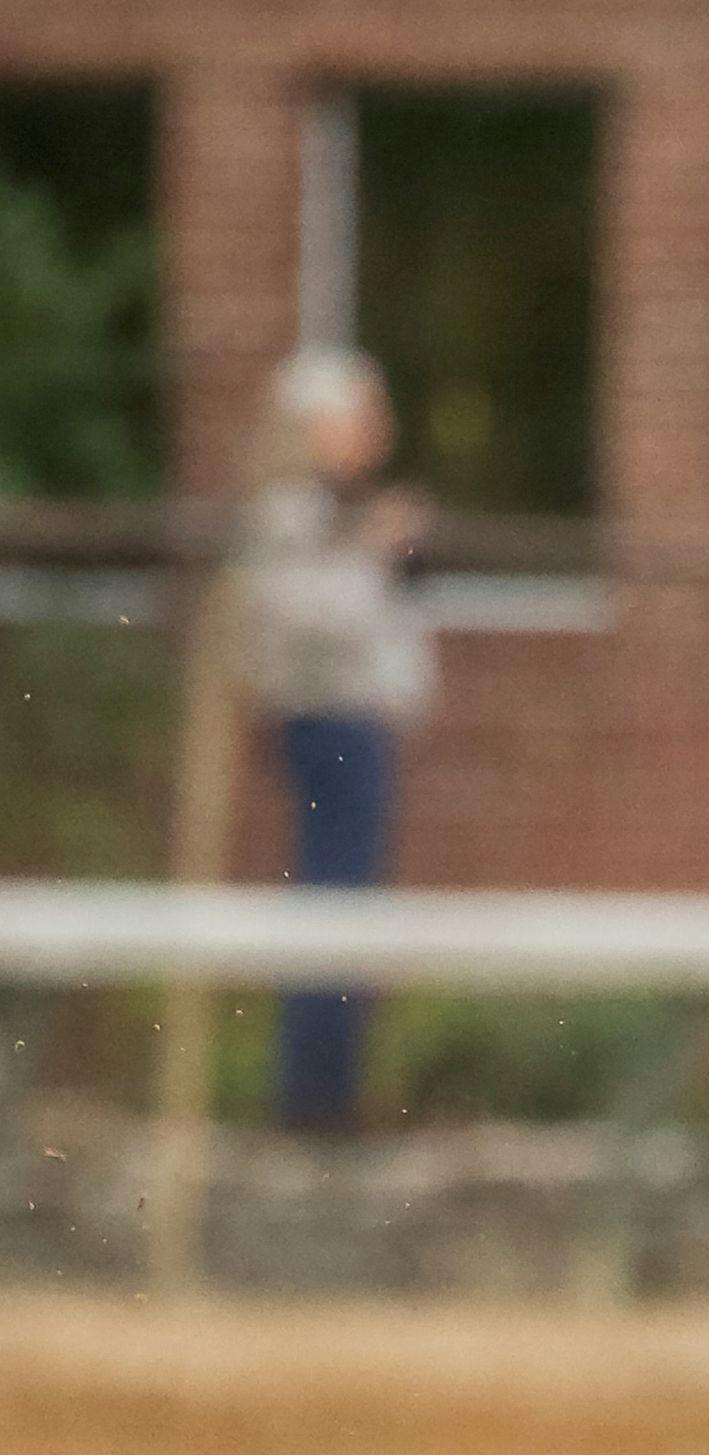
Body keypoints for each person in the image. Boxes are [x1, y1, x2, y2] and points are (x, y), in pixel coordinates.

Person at [232, 346, 434, 1133]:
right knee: (334, 901)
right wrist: (378, 548)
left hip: (360, 721)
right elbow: (307, 619)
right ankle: (314, 1101)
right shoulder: (290, 511)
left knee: (353, 904)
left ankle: (334, 1091)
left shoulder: (336, 510)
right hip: (329, 720)